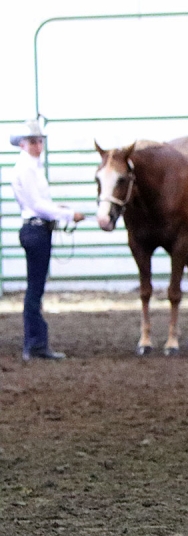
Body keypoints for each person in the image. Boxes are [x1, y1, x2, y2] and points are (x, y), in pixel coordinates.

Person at [8, 118, 85, 360]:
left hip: (37, 228)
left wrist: (58, 209)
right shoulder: (27, 167)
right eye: (33, 141)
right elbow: (36, 204)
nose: (38, 145)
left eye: (39, 141)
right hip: (37, 229)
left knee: (36, 287)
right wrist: (68, 214)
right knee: (35, 288)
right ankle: (35, 343)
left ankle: (36, 342)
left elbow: (39, 202)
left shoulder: (31, 166)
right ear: (23, 143)